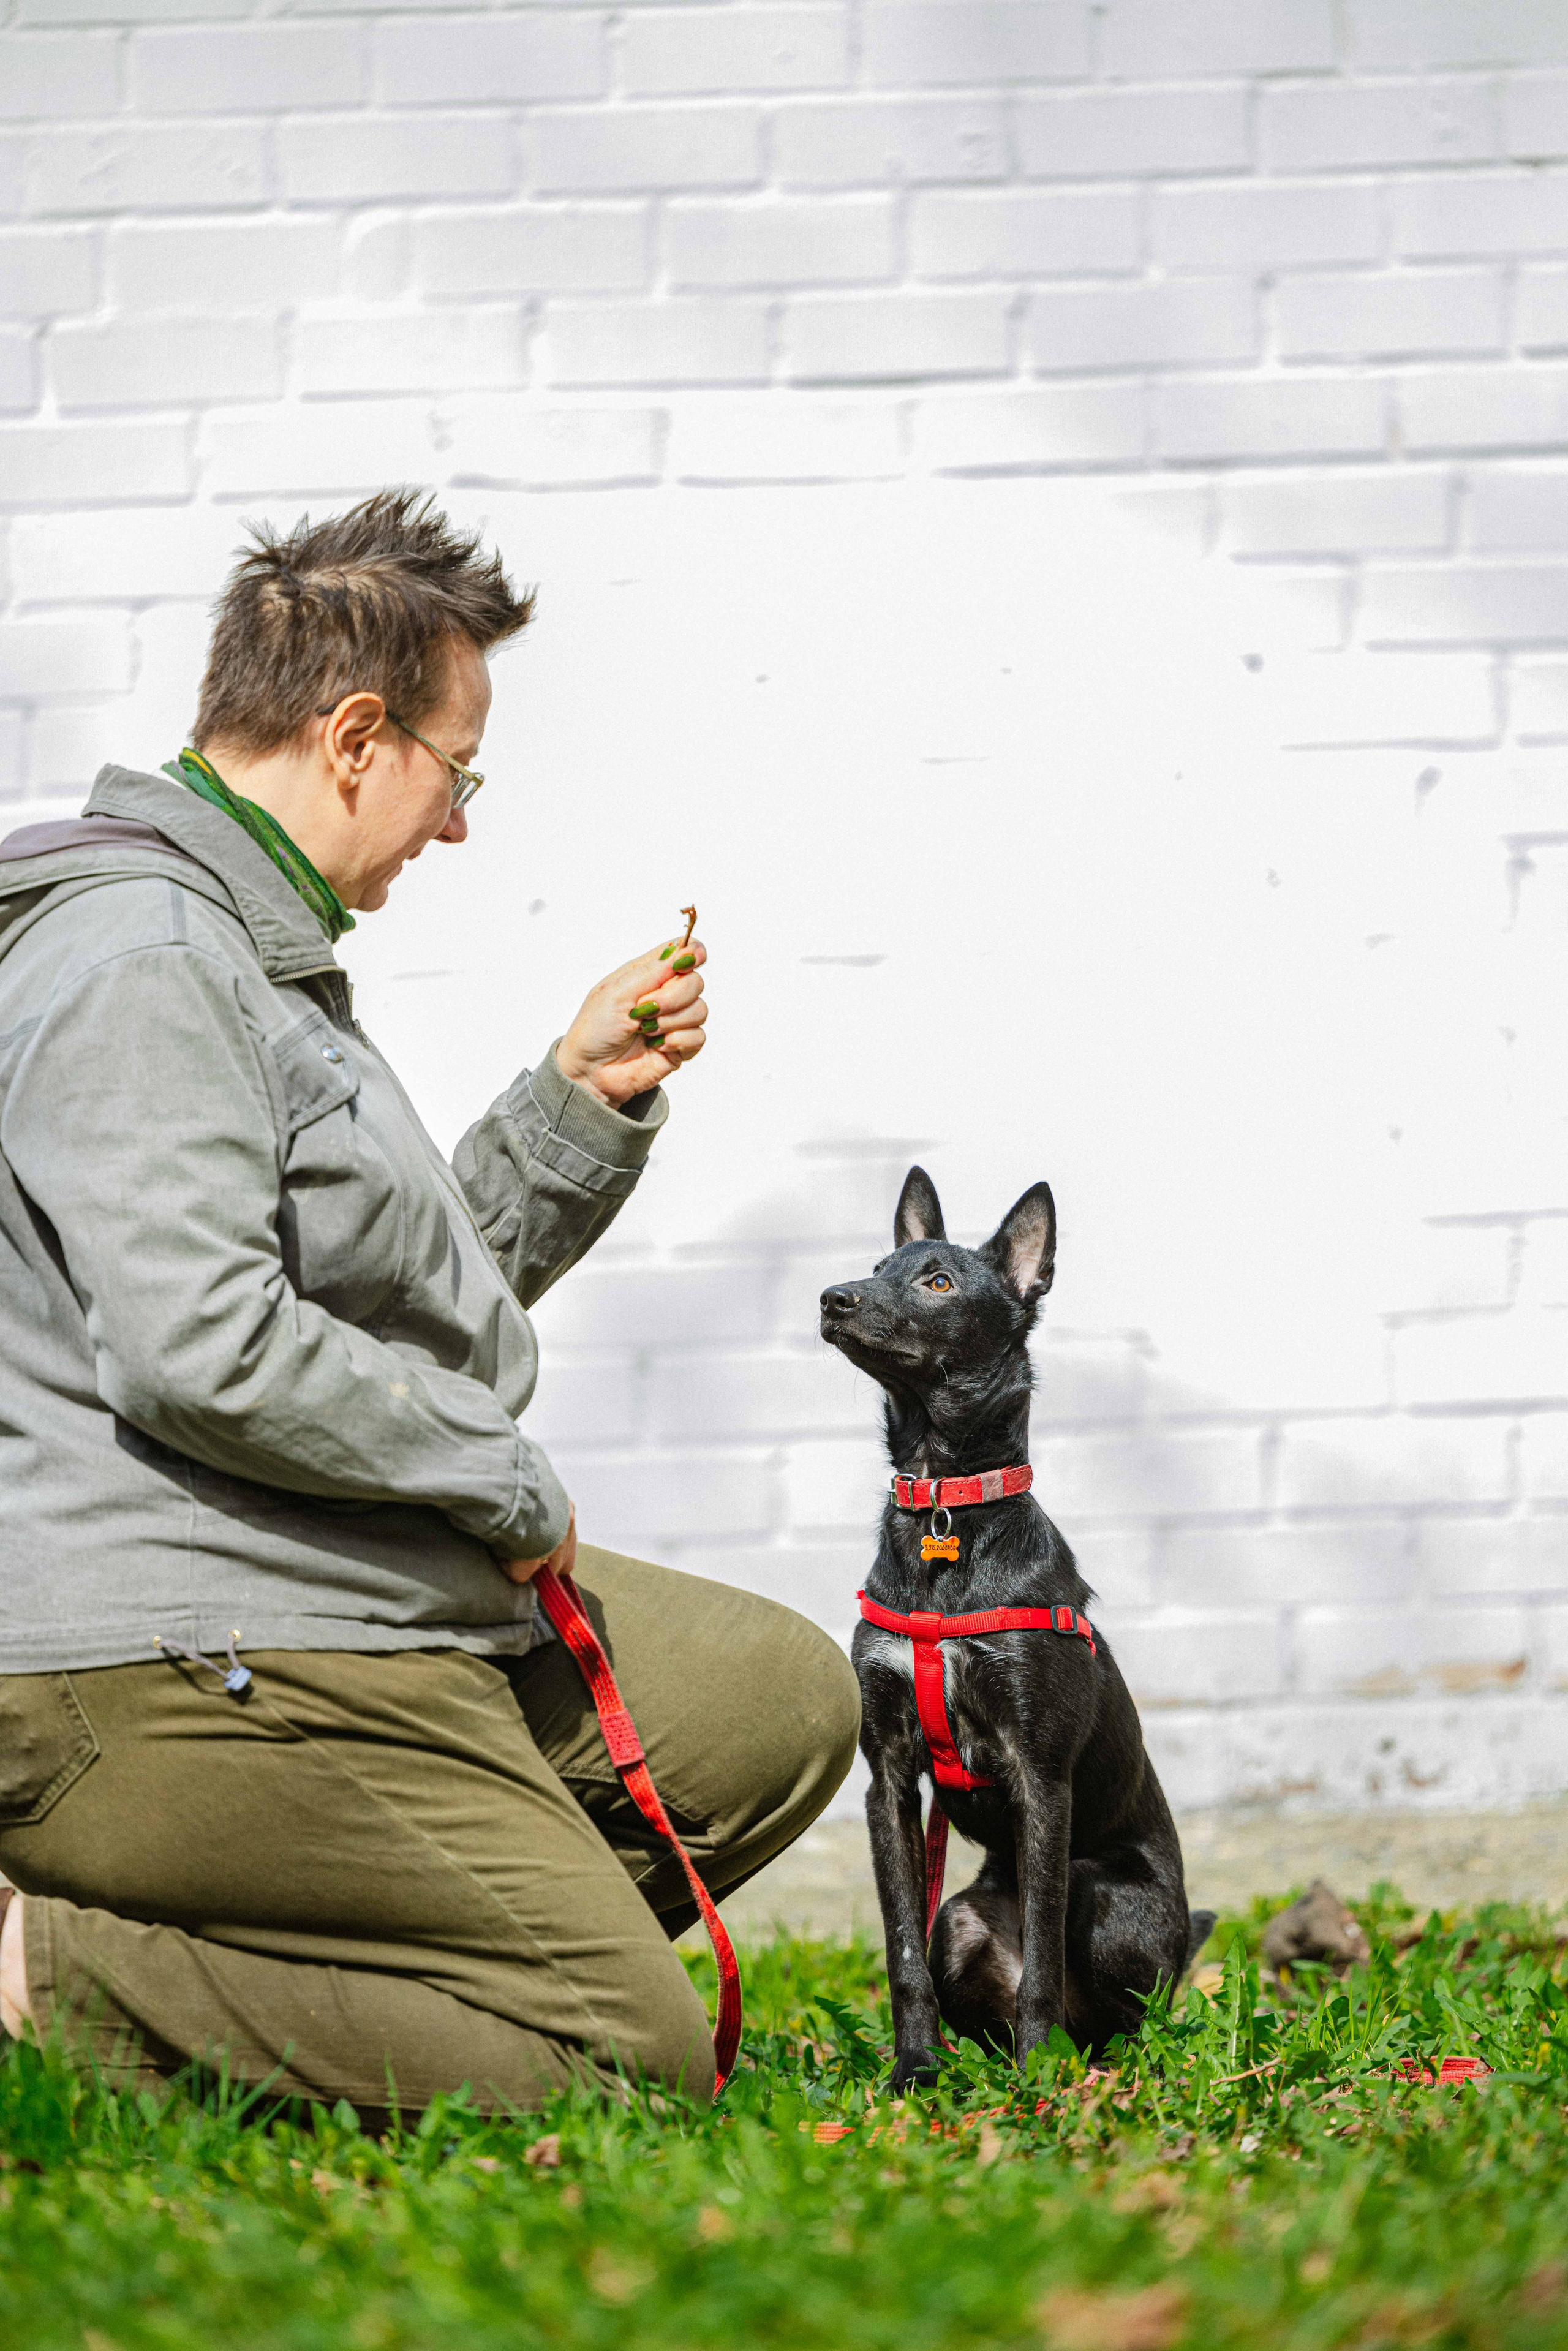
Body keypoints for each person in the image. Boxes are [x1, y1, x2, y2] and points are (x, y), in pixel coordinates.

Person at [0, 491, 859, 2118]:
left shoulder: (247, 953)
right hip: (162, 1647)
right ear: (352, 735)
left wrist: (575, 1103)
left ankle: (373, 1966)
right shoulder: (142, 961)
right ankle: (54, 1973)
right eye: (456, 775)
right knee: (626, 2050)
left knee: (772, 1699)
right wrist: (503, 1474)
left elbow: (367, 1304)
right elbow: (205, 1348)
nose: (457, 825)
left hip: (311, 1578)